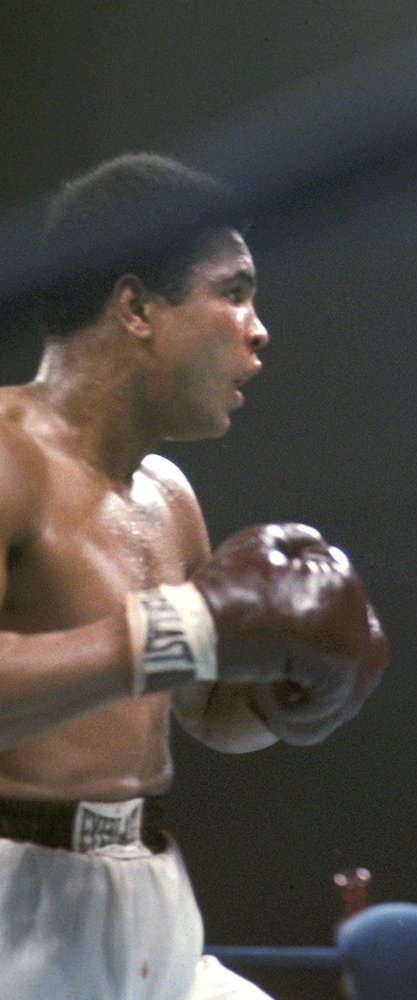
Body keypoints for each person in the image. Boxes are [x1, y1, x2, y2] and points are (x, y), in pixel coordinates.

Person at [0, 152, 390, 999]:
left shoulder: (168, 496)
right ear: (137, 308)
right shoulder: (6, 455)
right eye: (234, 292)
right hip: (15, 908)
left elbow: (209, 709)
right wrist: (179, 628)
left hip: (150, 893)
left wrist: (295, 696)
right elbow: (175, 640)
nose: (259, 328)